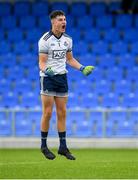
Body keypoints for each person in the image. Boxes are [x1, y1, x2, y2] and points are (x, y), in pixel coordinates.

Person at [38, 10, 94, 160]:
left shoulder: (68, 40)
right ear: (53, 22)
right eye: (61, 20)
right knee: (48, 113)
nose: (64, 22)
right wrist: (47, 70)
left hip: (62, 78)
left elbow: (70, 59)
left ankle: (63, 147)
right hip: (48, 78)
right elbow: (41, 63)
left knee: (62, 113)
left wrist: (82, 68)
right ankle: (43, 146)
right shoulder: (45, 40)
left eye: (65, 20)